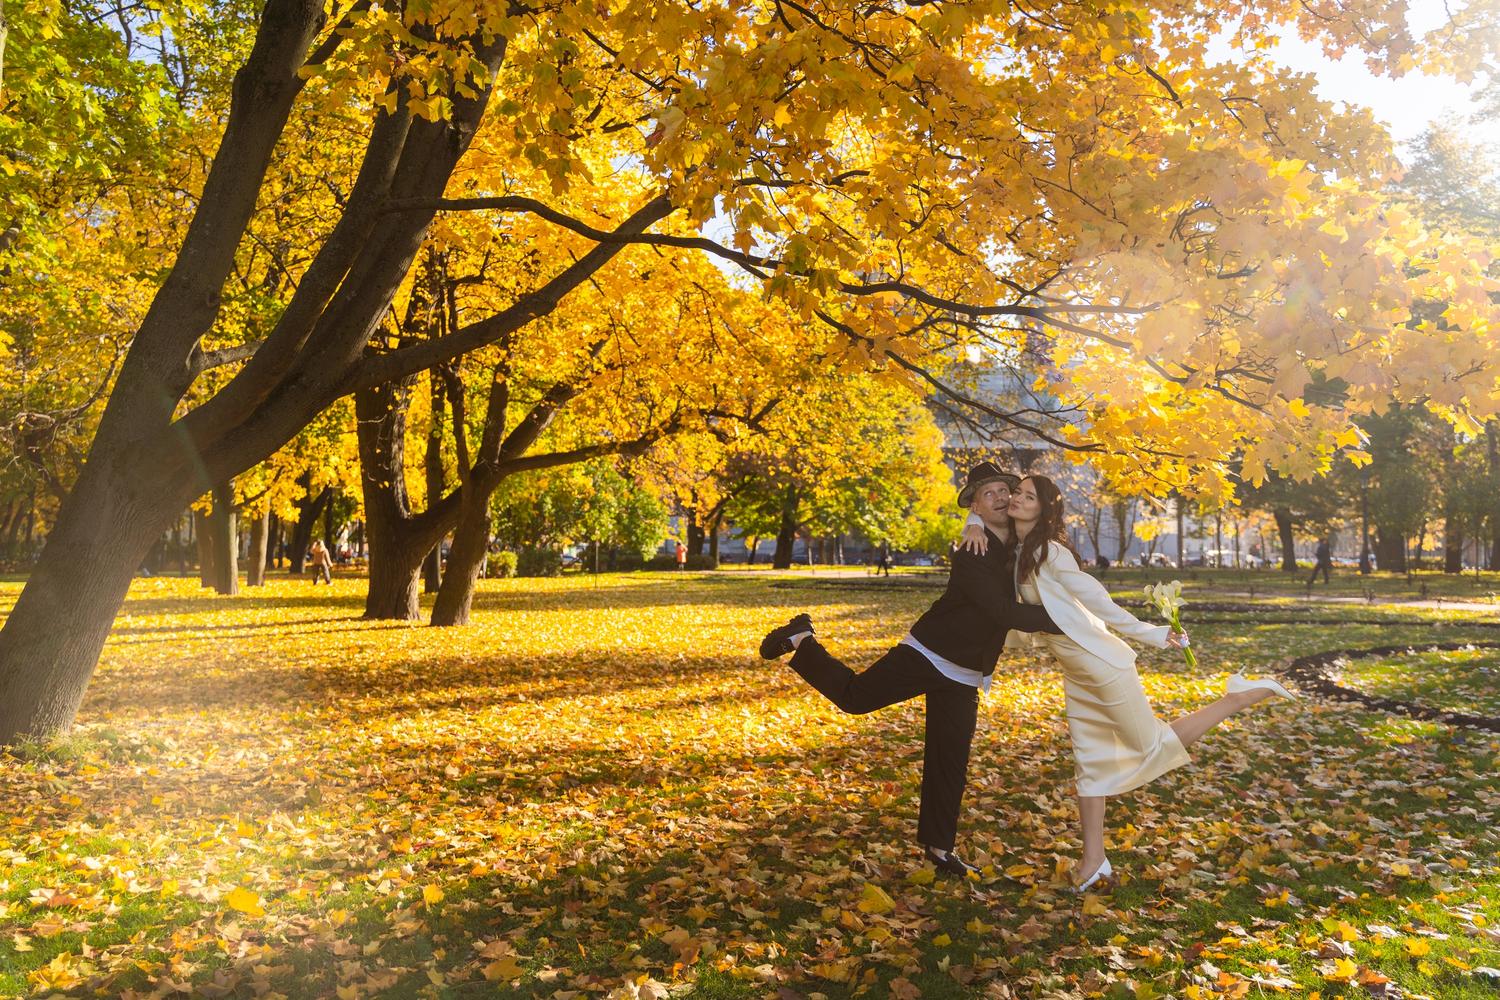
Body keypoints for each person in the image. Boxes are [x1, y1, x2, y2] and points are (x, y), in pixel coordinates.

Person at [961, 476, 1295, 891]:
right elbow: (979, 520)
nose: (1015, 499)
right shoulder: (1017, 544)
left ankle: (1238, 697)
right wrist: (971, 522)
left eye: (1028, 496)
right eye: (1018, 492)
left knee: (1150, 746)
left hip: (1103, 666)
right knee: (1089, 765)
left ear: (1044, 511)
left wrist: (1155, 633)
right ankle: (1094, 860)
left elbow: (1099, 601)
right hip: (1077, 672)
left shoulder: (1051, 552)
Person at [759, 462, 1059, 877]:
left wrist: (975, 520)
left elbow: (1038, 521)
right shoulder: (971, 551)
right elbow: (1002, 611)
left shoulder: (1014, 542)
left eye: (1005, 490)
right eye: (988, 494)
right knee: (855, 698)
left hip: (967, 671)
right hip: (930, 652)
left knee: (949, 761)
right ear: (974, 503)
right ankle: (803, 640)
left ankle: (940, 850)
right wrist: (1059, 619)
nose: (1002, 498)